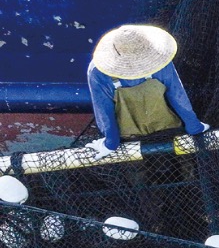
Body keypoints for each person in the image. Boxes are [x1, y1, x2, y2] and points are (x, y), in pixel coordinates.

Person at [85, 25, 207, 159]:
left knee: (137, 174)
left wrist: (111, 144)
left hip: (129, 142)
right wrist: (194, 127)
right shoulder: (161, 60)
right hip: (170, 130)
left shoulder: (97, 72)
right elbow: (178, 97)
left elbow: (104, 113)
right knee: (182, 167)